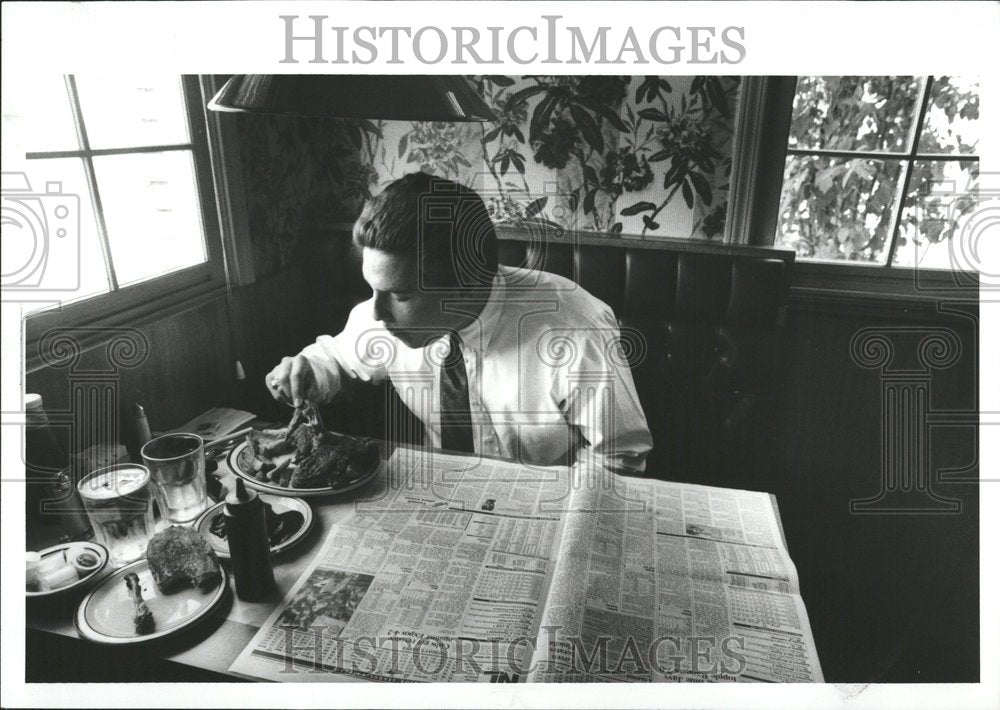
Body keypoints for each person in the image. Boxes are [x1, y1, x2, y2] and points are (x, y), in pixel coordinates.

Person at [266, 172, 652, 475]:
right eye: (373, 289)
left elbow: (620, 458)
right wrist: (308, 371)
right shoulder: (385, 316)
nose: (377, 313)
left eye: (400, 296)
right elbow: (336, 357)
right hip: (439, 491)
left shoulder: (575, 328)